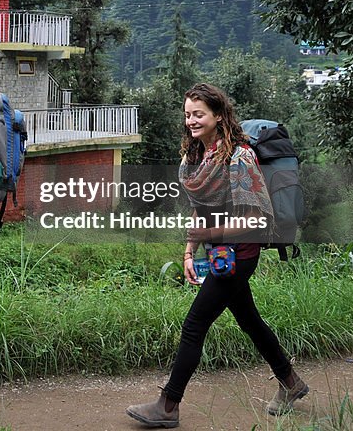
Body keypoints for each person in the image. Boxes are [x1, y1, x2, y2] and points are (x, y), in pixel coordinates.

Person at [126, 83, 308, 428]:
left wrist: (210, 234)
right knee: (249, 320)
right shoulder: (196, 156)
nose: (191, 121)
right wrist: (189, 251)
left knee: (194, 325)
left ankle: (168, 405)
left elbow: (257, 218)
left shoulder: (239, 158)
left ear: (218, 116)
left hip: (241, 252)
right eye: (187, 115)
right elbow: (201, 209)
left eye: (199, 114)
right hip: (220, 250)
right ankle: (290, 382)